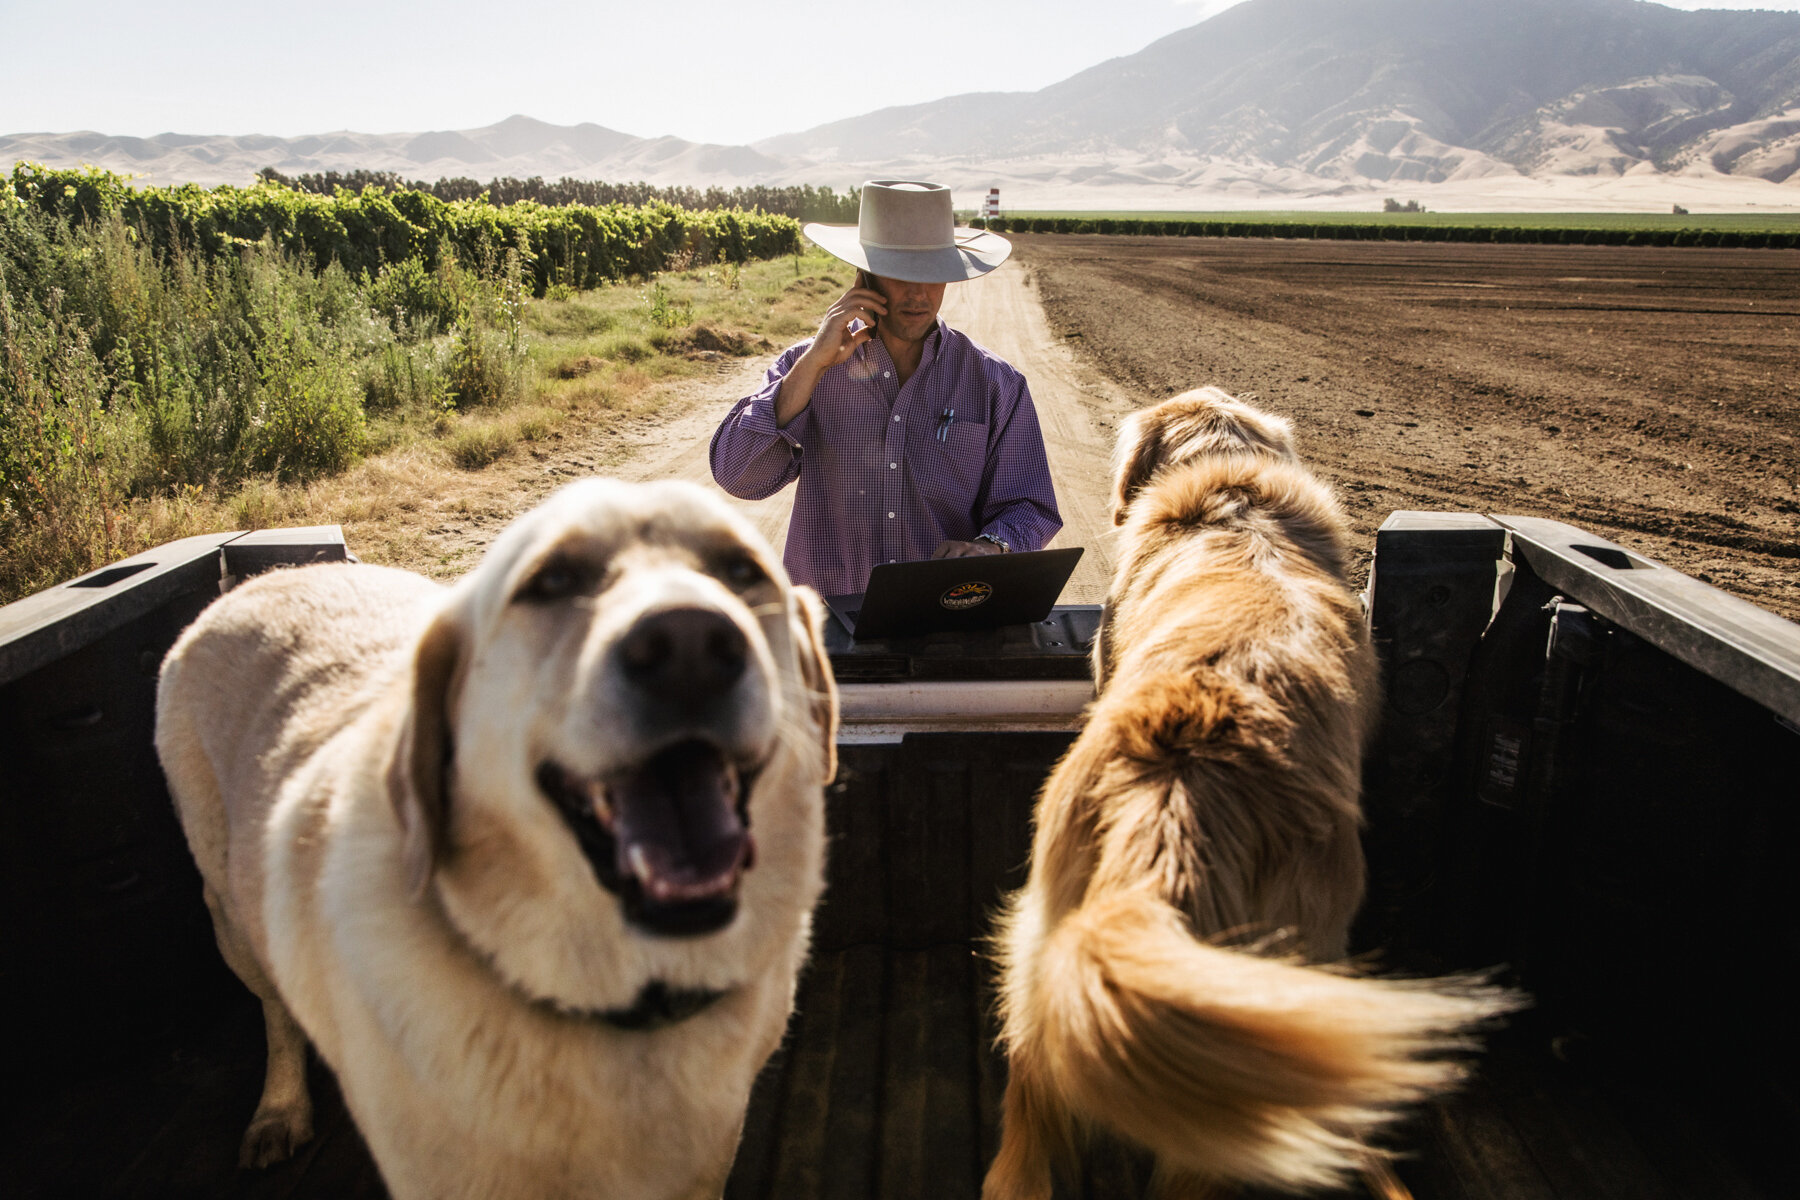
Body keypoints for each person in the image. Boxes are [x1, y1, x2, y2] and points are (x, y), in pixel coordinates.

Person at [709, 179, 1061, 597]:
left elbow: (1029, 505)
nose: (918, 294)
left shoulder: (995, 383)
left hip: (944, 619)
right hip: (831, 622)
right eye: (899, 275)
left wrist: (991, 547)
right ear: (864, 278)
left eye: (933, 275)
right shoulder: (804, 369)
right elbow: (739, 476)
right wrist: (811, 368)